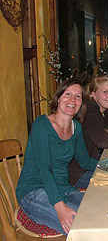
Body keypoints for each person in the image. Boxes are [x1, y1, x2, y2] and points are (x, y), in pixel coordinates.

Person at [16, 79, 98, 235]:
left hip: (63, 188)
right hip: (34, 191)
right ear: (58, 98)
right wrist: (59, 206)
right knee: (80, 225)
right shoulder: (42, 125)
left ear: (82, 102)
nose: (73, 100)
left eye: (78, 96)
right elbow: (44, 169)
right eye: (68, 94)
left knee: (100, 211)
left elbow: (85, 161)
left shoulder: (76, 127)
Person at [68, 74, 108, 189]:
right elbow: (103, 142)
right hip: (78, 173)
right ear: (93, 94)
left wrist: (105, 127)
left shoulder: (100, 109)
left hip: (90, 164)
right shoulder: (89, 111)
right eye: (105, 92)